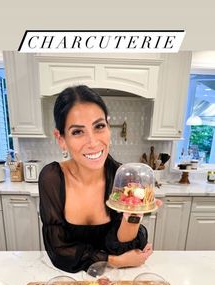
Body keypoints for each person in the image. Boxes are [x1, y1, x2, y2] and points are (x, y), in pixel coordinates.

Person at [39, 85, 154, 273]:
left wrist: (133, 216)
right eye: (77, 131)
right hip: (70, 279)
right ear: (61, 139)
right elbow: (59, 251)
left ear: (108, 128)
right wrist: (114, 261)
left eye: (99, 126)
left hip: (119, 280)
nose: (92, 142)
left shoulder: (123, 178)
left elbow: (125, 248)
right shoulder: (52, 178)